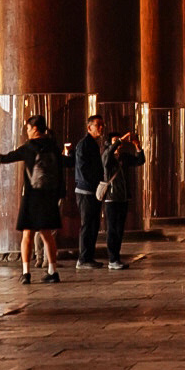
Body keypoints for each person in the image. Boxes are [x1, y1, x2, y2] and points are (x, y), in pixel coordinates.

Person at [0, 113, 73, 285]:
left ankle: (26, 273)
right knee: (47, 234)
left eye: (28, 128)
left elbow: (3, 159)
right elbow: (68, 164)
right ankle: (52, 271)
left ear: (35, 129)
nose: (27, 131)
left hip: (32, 196)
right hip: (49, 196)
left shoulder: (29, 147)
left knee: (27, 234)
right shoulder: (54, 147)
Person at [100, 129, 145, 270]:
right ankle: (112, 258)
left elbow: (139, 161)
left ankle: (116, 257)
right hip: (111, 198)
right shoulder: (107, 156)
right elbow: (106, 158)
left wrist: (137, 146)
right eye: (115, 141)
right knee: (112, 229)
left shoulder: (123, 157)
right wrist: (119, 140)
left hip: (123, 197)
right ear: (109, 143)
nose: (119, 144)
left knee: (119, 229)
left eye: (119, 142)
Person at [74, 114, 107, 269]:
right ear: (89, 127)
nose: (101, 128)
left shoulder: (93, 144)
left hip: (93, 190)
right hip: (86, 190)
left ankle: (89, 256)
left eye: (102, 125)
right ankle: (83, 258)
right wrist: (95, 183)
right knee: (87, 224)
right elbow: (83, 168)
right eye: (97, 125)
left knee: (93, 225)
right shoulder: (84, 145)